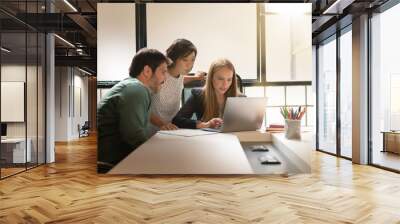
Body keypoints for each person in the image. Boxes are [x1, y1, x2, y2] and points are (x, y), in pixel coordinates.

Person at [97, 48, 169, 173]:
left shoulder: (131, 87)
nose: (165, 78)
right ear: (147, 71)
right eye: (163, 72)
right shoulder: (136, 89)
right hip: (110, 164)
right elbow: (134, 136)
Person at [150, 39, 205, 131]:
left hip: (173, 129)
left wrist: (196, 78)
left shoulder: (180, 75)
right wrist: (162, 124)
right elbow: (144, 110)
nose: (190, 65)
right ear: (174, 58)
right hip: (154, 130)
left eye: (192, 60)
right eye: (185, 60)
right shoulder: (159, 75)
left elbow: (179, 80)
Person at [172, 58, 238, 129]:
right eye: (220, 79)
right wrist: (205, 125)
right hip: (208, 138)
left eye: (229, 79)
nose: (225, 84)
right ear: (211, 78)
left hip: (234, 138)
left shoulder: (240, 98)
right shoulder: (199, 95)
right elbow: (177, 120)